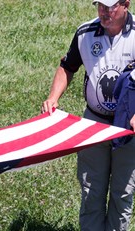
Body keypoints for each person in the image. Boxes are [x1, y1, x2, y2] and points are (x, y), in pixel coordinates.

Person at [41, 0, 135, 230]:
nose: (104, 11)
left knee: (122, 195)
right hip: (94, 123)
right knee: (91, 191)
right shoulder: (85, 32)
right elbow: (68, 67)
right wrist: (53, 97)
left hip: (129, 129)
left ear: (126, 4)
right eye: (100, 5)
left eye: (110, 6)